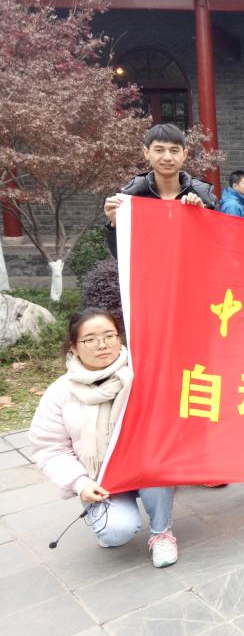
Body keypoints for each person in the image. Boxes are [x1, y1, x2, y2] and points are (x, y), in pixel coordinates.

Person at [29, 308, 179, 568]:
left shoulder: (143, 376)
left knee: (157, 465)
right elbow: (49, 448)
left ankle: (161, 533)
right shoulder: (61, 392)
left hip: (144, 469)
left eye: (109, 336)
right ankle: (106, 518)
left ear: (119, 338)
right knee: (116, 533)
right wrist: (80, 483)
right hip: (100, 479)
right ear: (74, 347)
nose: (102, 345)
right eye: (90, 339)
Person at [103, 123, 216, 256]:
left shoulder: (203, 197)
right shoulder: (132, 197)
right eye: (159, 150)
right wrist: (115, 223)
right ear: (147, 153)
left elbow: (216, 251)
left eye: (174, 150)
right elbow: (123, 258)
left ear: (184, 154)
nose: (167, 157)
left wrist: (203, 216)